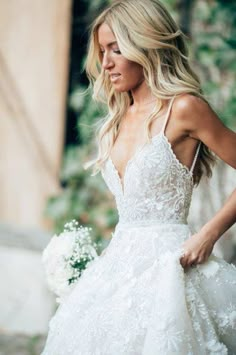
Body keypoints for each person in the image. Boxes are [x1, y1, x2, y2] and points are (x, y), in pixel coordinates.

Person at [41, 0, 236, 354]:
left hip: (172, 269)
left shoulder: (184, 108)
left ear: (146, 45)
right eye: (102, 51)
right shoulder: (114, 122)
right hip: (118, 271)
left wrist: (208, 234)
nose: (106, 63)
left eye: (116, 49)